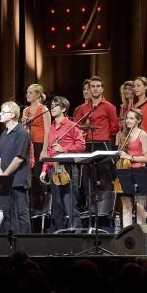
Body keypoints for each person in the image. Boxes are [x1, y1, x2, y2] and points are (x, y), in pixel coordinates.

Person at [40, 96, 85, 230]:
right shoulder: (51, 128)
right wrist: (44, 169)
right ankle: (60, 232)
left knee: (70, 203)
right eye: (51, 105)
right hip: (54, 169)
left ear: (64, 109)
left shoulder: (72, 126)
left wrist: (64, 149)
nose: (52, 108)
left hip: (68, 168)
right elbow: (49, 151)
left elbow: (81, 146)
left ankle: (76, 232)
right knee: (57, 205)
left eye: (55, 106)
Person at [0, 101, 31, 234]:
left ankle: (25, 246)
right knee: (5, 214)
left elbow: (18, 159)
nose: (0, 114)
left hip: (18, 181)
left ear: (13, 115)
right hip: (5, 181)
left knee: (21, 214)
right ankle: (7, 245)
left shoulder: (22, 132)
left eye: (3, 112)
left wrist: (5, 175)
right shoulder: (4, 134)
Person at [116, 108, 147, 227]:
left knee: (140, 206)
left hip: (139, 171)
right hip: (125, 172)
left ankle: (141, 235)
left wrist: (130, 157)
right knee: (126, 205)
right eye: (127, 118)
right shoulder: (124, 134)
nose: (128, 121)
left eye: (131, 118)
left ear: (138, 120)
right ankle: (127, 235)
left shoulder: (142, 134)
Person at [72, 75, 119, 150]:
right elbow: (76, 126)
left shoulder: (109, 107)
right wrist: (80, 132)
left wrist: (104, 133)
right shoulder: (82, 108)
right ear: (90, 89)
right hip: (86, 143)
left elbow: (115, 128)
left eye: (98, 86)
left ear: (102, 89)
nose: (95, 89)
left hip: (103, 144)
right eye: (93, 86)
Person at [22, 83, 51, 170]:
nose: (27, 95)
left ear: (38, 94)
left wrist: (44, 150)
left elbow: (47, 130)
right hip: (28, 143)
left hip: (40, 144)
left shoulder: (44, 109)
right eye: (27, 92)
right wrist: (24, 124)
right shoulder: (25, 110)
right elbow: (23, 130)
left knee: (38, 171)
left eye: (30, 93)